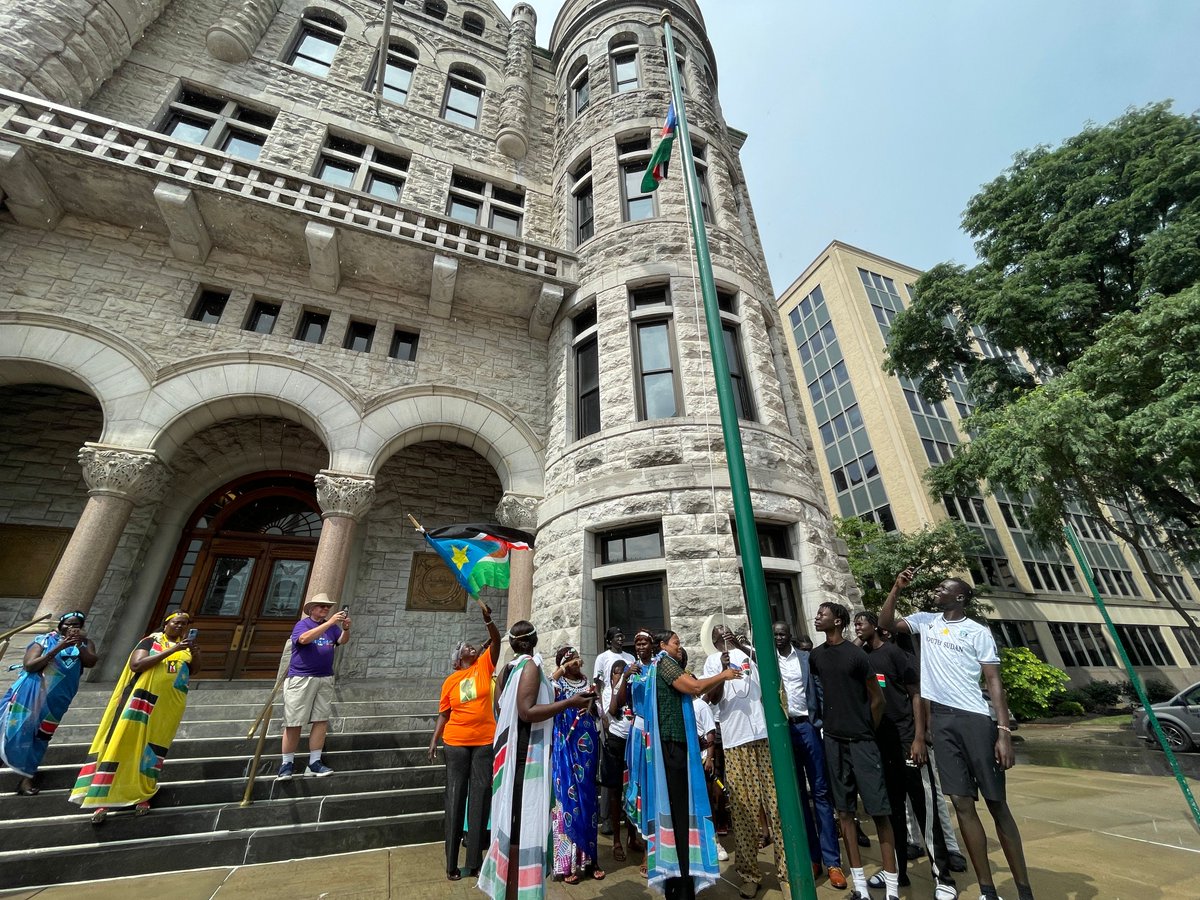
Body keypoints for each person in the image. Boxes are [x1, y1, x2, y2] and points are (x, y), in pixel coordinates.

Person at [880, 571, 1035, 900]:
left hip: (975, 720)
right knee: (962, 804)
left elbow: (994, 683)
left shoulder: (977, 632)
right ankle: (988, 890)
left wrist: (1003, 732)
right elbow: (887, 623)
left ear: (960, 597)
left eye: (943, 589)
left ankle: (1024, 891)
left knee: (996, 804)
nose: (936, 591)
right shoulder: (927, 621)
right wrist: (896, 588)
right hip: (942, 720)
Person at [479, 621, 594, 900]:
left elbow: (499, 706)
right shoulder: (529, 667)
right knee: (521, 828)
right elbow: (526, 711)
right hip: (524, 760)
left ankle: (508, 889)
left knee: (512, 824)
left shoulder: (507, 668)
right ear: (533, 640)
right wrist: (570, 702)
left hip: (512, 757)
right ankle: (518, 892)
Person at [854, 612, 958, 900]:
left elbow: (917, 694)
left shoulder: (895, 654)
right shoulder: (862, 657)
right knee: (894, 810)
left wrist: (920, 737)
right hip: (882, 743)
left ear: (876, 626)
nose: (857, 627)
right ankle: (897, 871)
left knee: (924, 808)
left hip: (907, 739)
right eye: (854, 624)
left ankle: (942, 875)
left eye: (861, 622)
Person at [70, 611, 199, 824]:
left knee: (152, 749)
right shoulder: (150, 641)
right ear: (166, 624)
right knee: (123, 744)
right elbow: (137, 665)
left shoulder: (184, 646)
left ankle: (142, 793)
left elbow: (193, 669)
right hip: (140, 702)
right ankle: (103, 797)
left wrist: (193, 651)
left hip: (167, 707)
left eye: (184, 624)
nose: (180, 627)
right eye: (177, 623)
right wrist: (173, 650)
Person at [810, 602, 899, 900]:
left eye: (823, 614)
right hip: (833, 740)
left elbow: (878, 700)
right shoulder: (816, 657)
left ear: (837, 621)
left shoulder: (857, 656)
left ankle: (892, 889)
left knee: (879, 810)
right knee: (844, 812)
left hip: (861, 741)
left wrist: (864, 729)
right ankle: (859, 885)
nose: (817, 617)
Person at [646, 630, 740, 900]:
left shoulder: (661, 664)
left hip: (675, 746)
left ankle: (680, 879)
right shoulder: (664, 663)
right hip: (672, 746)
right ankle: (681, 882)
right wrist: (724, 674)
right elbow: (695, 688)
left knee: (681, 814)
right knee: (680, 814)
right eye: (676, 643)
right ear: (663, 645)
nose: (679, 647)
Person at [701, 625, 789, 899]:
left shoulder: (749, 653)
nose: (724, 635)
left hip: (763, 736)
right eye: (719, 634)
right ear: (714, 641)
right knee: (745, 810)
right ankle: (749, 874)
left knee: (777, 806)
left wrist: (740, 647)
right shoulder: (713, 661)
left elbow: (772, 673)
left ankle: (786, 873)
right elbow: (711, 698)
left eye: (727, 630)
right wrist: (723, 674)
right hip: (736, 740)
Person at [429, 600, 500, 880]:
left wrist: (487, 621)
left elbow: (494, 640)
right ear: (458, 659)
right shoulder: (450, 681)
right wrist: (435, 740)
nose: (471, 648)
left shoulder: (483, 667)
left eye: (472, 646)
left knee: (481, 796)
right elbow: (443, 714)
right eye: (466, 648)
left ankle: (475, 861)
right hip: (456, 743)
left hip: (484, 742)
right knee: (456, 797)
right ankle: (451, 864)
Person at [772, 620, 845, 890]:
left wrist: (824, 721)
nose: (779, 638)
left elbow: (820, 689)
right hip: (783, 731)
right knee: (798, 797)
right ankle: (812, 857)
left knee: (821, 793)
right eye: (775, 634)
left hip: (808, 727)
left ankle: (833, 861)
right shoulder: (767, 661)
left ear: (789, 635)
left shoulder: (805, 658)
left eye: (782, 633)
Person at [1, 611, 98, 795]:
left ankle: (26, 778)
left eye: (76, 625)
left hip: (58, 699)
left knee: (42, 736)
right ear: (60, 625)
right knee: (13, 729)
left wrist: (79, 645)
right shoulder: (44, 640)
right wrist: (59, 647)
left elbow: (91, 662)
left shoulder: (85, 643)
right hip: (31, 694)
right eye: (68, 624)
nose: (72, 628)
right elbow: (30, 665)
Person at [277, 594, 349, 780]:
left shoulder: (332, 628)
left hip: (324, 678)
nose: (325, 610)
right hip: (301, 678)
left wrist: (345, 629)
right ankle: (287, 763)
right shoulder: (303, 624)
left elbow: (341, 641)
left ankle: (315, 762)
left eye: (327, 607)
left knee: (321, 719)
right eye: (321, 607)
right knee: (294, 721)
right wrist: (329, 623)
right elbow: (304, 639)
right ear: (311, 609)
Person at [550, 645, 605, 883]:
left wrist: (592, 705)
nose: (575, 661)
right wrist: (561, 669)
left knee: (587, 799)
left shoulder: (587, 684)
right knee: (567, 801)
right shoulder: (558, 684)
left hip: (587, 748)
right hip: (565, 747)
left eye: (576, 657)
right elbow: (546, 685)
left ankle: (591, 859)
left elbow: (598, 712)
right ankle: (567, 864)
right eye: (569, 659)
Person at [614, 628, 656, 855]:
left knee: (653, 779)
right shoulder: (633, 670)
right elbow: (620, 703)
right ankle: (636, 834)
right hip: (638, 729)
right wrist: (625, 677)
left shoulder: (658, 666)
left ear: (652, 645)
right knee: (636, 780)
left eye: (644, 643)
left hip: (655, 728)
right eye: (637, 644)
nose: (640, 647)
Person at [602, 659, 639, 862]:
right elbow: (614, 710)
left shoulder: (631, 686)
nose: (618, 675)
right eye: (615, 672)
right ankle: (617, 840)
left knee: (632, 791)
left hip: (633, 741)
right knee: (616, 792)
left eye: (622, 671)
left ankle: (632, 837)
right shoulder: (610, 690)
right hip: (616, 742)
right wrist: (622, 680)